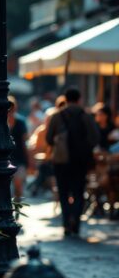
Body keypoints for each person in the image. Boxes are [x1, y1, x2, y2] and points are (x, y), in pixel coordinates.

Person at [45, 87, 99, 236]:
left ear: (65, 99)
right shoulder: (86, 116)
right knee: (78, 192)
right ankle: (75, 222)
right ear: (79, 99)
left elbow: (49, 139)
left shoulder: (57, 116)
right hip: (80, 161)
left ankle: (66, 224)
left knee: (63, 192)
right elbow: (95, 138)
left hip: (61, 160)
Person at [8, 96, 29, 202]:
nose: (10, 111)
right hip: (5, 158)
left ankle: (17, 206)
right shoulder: (0, 122)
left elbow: (25, 141)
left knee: (18, 184)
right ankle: (10, 207)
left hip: (19, 157)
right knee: (7, 186)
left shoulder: (20, 122)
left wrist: (29, 159)